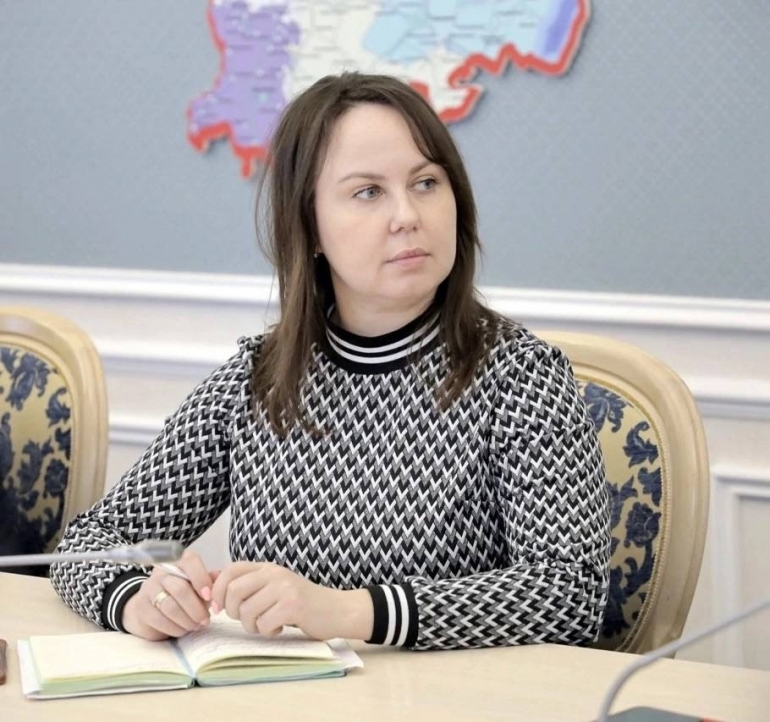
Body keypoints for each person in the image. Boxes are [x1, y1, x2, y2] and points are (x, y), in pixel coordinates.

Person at [50, 72, 611, 651]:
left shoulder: (521, 375)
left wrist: (345, 611)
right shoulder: (257, 380)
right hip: (286, 694)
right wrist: (137, 600)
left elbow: (571, 593)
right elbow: (89, 544)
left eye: (425, 182)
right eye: (368, 192)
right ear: (310, 226)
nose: (407, 215)